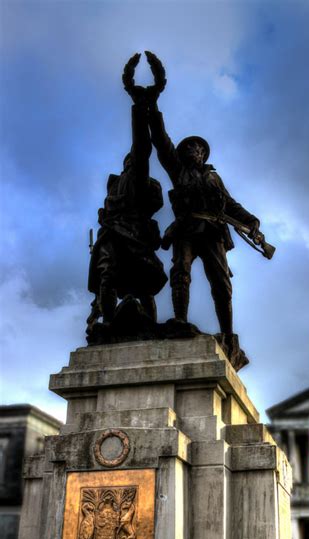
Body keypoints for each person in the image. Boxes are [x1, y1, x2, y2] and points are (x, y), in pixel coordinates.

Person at [146, 60, 260, 342]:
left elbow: (230, 204)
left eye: (196, 148)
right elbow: (160, 141)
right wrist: (152, 106)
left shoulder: (213, 178)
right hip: (186, 227)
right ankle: (180, 320)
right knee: (180, 272)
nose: (191, 150)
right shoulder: (177, 169)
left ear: (203, 154)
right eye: (187, 148)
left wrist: (252, 221)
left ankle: (228, 334)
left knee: (221, 283)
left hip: (213, 231)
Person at [87, 94, 167, 332]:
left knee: (143, 284)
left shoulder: (142, 180)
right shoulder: (114, 183)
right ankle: (109, 324)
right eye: (128, 161)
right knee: (107, 276)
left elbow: (142, 148)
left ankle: (150, 325)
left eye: (134, 160)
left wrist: (139, 110)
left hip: (134, 232)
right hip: (110, 232)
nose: (131, 162)